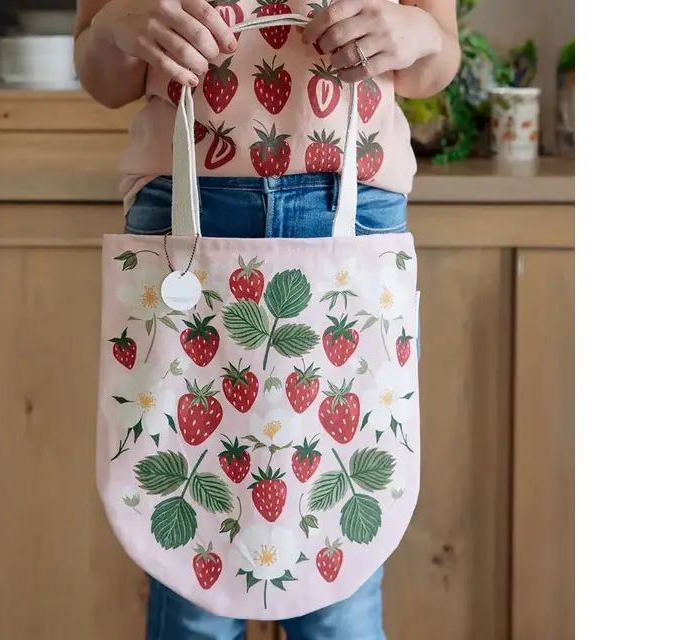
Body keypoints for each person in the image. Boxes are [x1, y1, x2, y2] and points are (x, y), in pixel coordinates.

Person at [74, 1, 459, 638]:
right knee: (196, 578)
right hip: (185, 206)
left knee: (340, 594)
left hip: (350, 202)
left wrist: (414, 34)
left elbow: (437, 60)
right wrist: (119, 27)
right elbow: (101, 74)